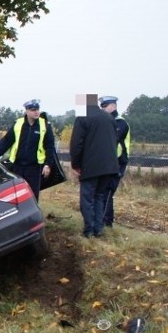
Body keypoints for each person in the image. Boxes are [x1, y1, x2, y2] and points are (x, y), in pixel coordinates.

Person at [69, 94, 119, 238]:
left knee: (87, 199)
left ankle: (89, 231)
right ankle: (99, 230)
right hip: (109, 167)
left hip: (90, 167)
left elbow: (76, 144)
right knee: (99, 197)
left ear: (82, 106)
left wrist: (75, 165)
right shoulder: (109, 118)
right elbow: (115, 142)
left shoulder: (82, 118)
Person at [0, 99, 55, 200]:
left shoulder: (45, 125)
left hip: (34, 167)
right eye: (33, 110)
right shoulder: (18, 124)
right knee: (17, 194)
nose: (36, 112)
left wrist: (48, 164)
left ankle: (32, 215)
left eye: (37, 109)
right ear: (27, 111)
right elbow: (6, 142)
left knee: (32, 195)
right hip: (17, 166)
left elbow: (50, 146)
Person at [98, 96, 131, 228]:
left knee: (108, 191)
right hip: (107, 162)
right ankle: (104, 220)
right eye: (102, 107)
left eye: (105, 106)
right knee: (103, 191)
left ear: (114, 106)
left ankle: (107, 222)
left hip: (117, 162)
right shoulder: (106, 121)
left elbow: (113, 140)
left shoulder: (121, 123)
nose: (103, 109)